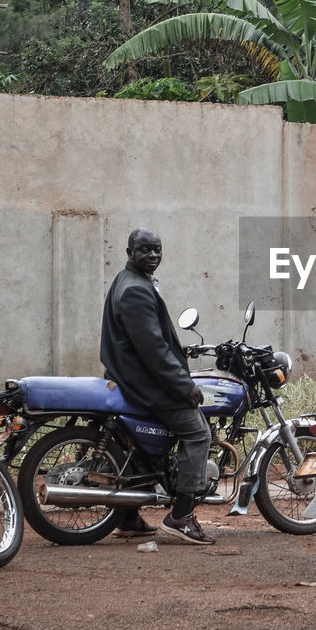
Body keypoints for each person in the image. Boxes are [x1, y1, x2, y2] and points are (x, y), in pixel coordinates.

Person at [101, 227, 215, 543]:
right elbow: (152, 349)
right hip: (144, 381)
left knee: (139, 446)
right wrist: (183, 385)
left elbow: (150, 337)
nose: (153, 255)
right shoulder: (136, 289)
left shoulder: (129, 281)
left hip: (128, 374)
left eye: (157, 250)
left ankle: (127, 516)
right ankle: (181, 515)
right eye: (145, 250)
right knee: (198, 433)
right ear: (129, 253)